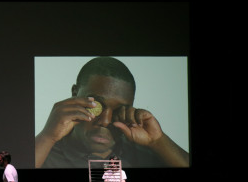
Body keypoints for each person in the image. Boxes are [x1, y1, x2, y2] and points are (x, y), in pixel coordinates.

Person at [35, 56, 189, 168]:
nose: (105, 121)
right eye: (96, 105)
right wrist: (48, 137)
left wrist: (158, 140)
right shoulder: (44, 152)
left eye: (118, 111)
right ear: (75, 93)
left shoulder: (148, 156)